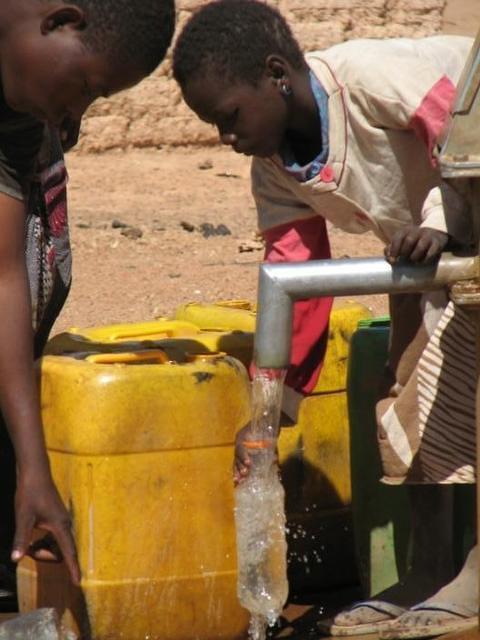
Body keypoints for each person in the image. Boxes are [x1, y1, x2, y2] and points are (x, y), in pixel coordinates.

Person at [172, 1, 478, 637]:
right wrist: (268, 413)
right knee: (402, 383)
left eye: (229, 117)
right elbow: (297, 280)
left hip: (461, 208)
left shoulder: (369, 78)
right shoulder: (276, 170)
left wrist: (440, 225)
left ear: (277, 73)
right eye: (213, 127)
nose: (226, 138)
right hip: (421, 251)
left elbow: (462, 142)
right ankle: (430, 565)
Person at [0, 0, 175, 589]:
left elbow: (4, 277)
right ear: (59, 21)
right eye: (85, 87)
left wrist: (34, 466)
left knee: (39, 273)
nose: (77, 114)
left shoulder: (22, 114)